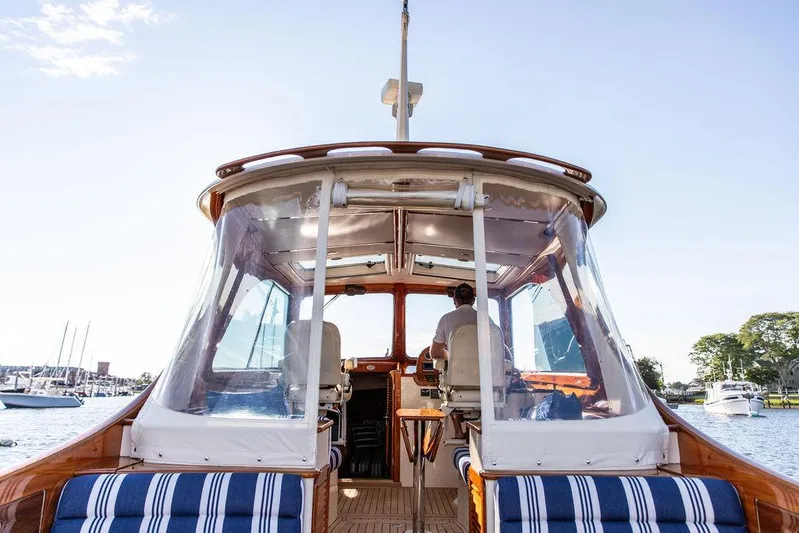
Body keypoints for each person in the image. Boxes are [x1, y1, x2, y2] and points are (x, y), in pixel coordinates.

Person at [430, 283, 491, 439]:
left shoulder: (446, 319)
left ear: (455, 300)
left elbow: (435, 353)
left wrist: (450, 356)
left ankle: (458, 430)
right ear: (473, 300)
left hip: (457, 382)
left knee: (447, 390)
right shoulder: (486, 319)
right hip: (484, 383)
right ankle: (476, 429)